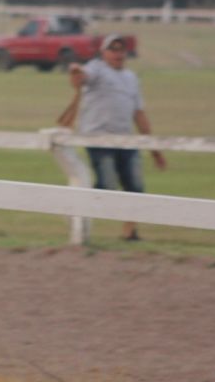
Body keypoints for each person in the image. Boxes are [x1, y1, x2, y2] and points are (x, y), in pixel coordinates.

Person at [68, 34, 166, 240]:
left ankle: (129, 232)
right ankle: (78, 213)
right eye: (113, 49)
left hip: (126, 140)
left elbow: (139, 114)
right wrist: (76, 70)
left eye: (121, 50)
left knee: (135, 187)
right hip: (98, 138)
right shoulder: (97, 69)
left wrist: (154, 148)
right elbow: (81, 77)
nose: (118, 54)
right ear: (104, 53)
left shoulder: (131, 78)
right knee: (108, 184)